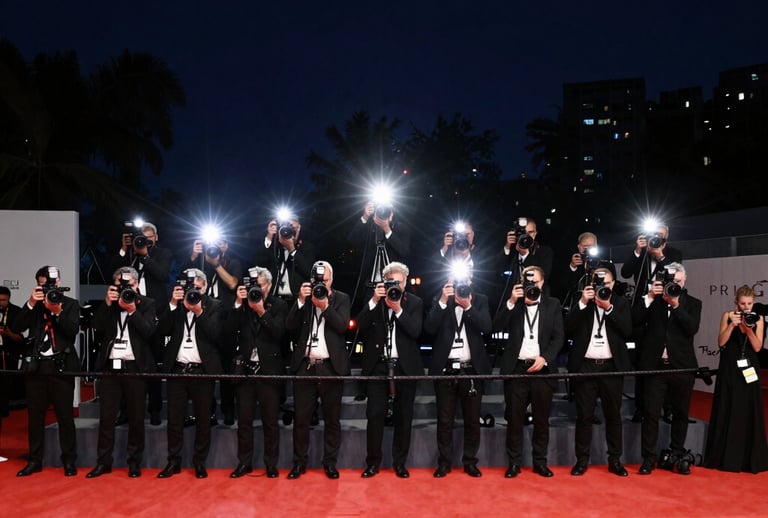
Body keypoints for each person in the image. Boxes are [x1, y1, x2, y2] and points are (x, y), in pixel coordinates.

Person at [87, 267, 157, 478]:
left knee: (136, 418)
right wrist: (108, 304)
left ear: (137, 285)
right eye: (121, 285)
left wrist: (132, 310)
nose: (126, 289)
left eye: (130, 285)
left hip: (136, 367)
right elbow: (96, 328)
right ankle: (103, 462)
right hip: (111, 367)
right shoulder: (110, 304)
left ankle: (134, 462)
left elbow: (149, 332)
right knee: (107, 418)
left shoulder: (148, 304)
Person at [493, 265, 563, 478]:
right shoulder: (515, 304)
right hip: (517, 369)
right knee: (514, 419)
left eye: (536, 282)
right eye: (528, 282)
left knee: (542, 420)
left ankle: (540, 462)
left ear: (542, 283)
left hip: (542, 369)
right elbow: (495, 327)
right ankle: (514, 463)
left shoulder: (553, 304)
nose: (532, 285)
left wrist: (545, 359)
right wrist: (512, 301)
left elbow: (558, 337)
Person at [633, 262, 701, 475]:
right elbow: (634, 320)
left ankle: (678, 454)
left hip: (682, 368)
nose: (675, 285)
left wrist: (676, 304)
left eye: (679, 282)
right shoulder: (654, 302)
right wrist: (650, 296)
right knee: (651, 414)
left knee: (681, 414)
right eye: (672, 281)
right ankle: (648, 459)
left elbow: (691, 328)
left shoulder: (693, 303)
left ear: (685, 281)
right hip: (655, 368)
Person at [357, 261, 423, 479]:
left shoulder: (415, 302)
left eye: (399, 282)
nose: (395, 286)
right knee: (374, 415)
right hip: (378, 365)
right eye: (390, 282)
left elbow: (415, 331)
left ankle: (399, 463)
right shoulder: (376, 302)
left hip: (405, 367)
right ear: (383, 282)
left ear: (405, 282)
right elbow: (360, 325)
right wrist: (375, 300)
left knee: (404, 418)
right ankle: (372, 463)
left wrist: (399, 310)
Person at [285, 261, 350, 479]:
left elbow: (343, 326)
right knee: (301, 420)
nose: (322, 283)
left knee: (332, 420)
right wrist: (301, 301)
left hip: (331, 367)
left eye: (326, 279)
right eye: (318, 279)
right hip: (306, 366)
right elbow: (289, 327)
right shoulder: (305, 298)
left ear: (332, 280)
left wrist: (325, 306)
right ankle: (298, 463)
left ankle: (330, 463)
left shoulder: (341, 298)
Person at [156, 268, 223, 479]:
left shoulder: (215, 305)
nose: (194, 292)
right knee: (174, 420)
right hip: (177, 370)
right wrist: (174, 304)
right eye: (190, 288)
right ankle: (173, 462)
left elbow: (216, 334)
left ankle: (199, 462)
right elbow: (162, 330)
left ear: (205, 287)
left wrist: (198, 311)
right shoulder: (176, 306)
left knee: (203, 420)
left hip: (202, 371)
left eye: (198, 288)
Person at [565, 265, 632, 477]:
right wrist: (583, 303)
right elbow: (567, 327)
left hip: (611, 367)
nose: (603, 286)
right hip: (585, 365)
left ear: (614, 284)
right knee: (584, 416)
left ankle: (615, 460)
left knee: (613, 416)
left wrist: (609, 307)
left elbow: (628, 331)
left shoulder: (620, 303)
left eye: (607, 282)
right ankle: (581, 460)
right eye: (599, 282)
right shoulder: (584, 302)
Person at [425, 266, 492, 478]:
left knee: (472, 420)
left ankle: (470, 462)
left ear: (471, 279)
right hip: (445, 369)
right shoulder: (440, 299)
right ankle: (444, 463)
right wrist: (443, 302)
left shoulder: (480, 299)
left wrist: (468, 306)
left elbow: (487, 327)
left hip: (471, 369)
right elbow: (429, 328)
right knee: (445, 420)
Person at [14, 266, 80, 477]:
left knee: (65, 417)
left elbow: (72, 331)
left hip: (61, 367)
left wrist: (57, 311)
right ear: (38, 283)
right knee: (35, 417)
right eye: (44, 284)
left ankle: (69, 461)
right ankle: (35, 460)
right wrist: (32, 303)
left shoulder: (70, 304)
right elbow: (16, 328)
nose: (49, 287)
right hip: (37, 368)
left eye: (52, 283)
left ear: (59, 282)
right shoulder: (33, 306)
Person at [228, 267, 288, 479]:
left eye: (260, 285)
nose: (256, 289)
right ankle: (244, 463)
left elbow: (280, 334)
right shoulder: (241, 306)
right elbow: (227, 331)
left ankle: (271, 464)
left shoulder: (279, 305)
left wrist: (262, 311)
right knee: (243, 421)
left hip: (269, 372)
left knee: (270, 422)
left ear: (269, 286)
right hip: (244, 371)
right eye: (253, 285)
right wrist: (238, 303)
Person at [110, 221, 171, 425]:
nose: (143, 240)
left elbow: (163, 275)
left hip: (152, 312)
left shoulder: (162, 254)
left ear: (156, 237)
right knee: (127, 367)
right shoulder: (130, 255)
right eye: (140, 237)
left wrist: (145, 254)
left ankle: (154, 410)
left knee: (152, 365)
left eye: (148, 237)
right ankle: (125, 410)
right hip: (127, 313)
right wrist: (124, 249)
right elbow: (114, 274)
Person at [704, 285, 768, 473]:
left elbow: (757, 347)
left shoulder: (759, 319)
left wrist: (748, 329)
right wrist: (733, 324)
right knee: (727, 405)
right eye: (742, 304)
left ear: (753, 303)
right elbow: (721, 342)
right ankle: (723, 456)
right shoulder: (727, 315)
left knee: (748, 408)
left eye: (749, 304)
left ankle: (748, 458)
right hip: (729, 367)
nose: (746, 307)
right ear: (736, 303)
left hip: (749, 366)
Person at [181, 236, 243, 426]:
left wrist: (215, 264)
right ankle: (209, 412)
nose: (214, 248)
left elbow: (233, 284)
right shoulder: (200, 263)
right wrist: (194, 254)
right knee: (205, 366)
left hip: (225, 318)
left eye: (220, 243)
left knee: (226, 368)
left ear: (226, 245)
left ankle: (228, 409)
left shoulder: (232, 262)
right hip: (202, 316)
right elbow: (185, 277)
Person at [348, 202, 411, 295]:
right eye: (380, 211)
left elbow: (403, 250)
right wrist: (365, 217)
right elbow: (352, 240)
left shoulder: (401, 228)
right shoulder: (370, 227)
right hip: (370, 283)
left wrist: (386, 229)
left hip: (393, 283)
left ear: (391, 214)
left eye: (386, 211)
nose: (383, 213)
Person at [0, 286, 24, 418]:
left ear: (9, 298)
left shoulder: (16, 312)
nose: (1, 303)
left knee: (6, 382)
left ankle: (5, 409)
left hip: (10, 353)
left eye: (4, 300)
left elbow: (21, 337)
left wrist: (8, 333)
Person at [559, 231, 598, 307]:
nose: (588, 249)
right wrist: (573, 267)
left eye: (591, 246)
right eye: (585, 246)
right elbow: (564, 287)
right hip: (576, 304)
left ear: (596, 247)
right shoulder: (571, 263)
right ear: (579, 247)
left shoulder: (604, 265)